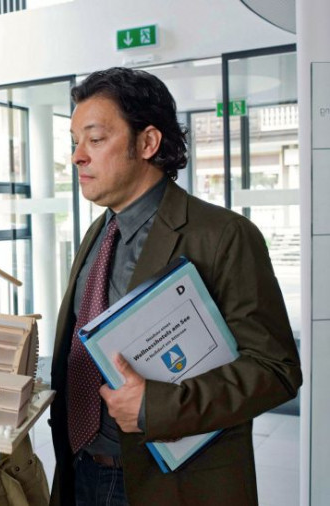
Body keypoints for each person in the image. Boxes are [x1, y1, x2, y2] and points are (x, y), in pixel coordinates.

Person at [49, 67, 302, 506]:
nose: (77, 157)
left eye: (95, 139)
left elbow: (275, 370)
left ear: (148, 142)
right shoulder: (98, 234)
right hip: (80, 472)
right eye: (74, 142)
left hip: (169, 484)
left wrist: (157, 407)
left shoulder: (223, 235)